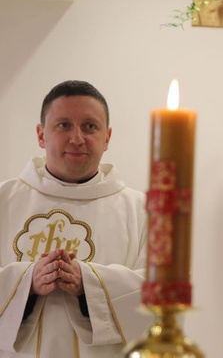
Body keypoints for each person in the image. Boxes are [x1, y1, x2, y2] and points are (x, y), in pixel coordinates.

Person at [0, 80, 150, 357]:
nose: (77, 138)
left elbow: (162, 299)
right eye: (63, 125)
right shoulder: (4, 200)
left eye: (90, 126)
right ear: (41, 135)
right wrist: (27, 283)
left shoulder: (143, 211)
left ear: (107, 137)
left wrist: (90, 284)